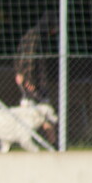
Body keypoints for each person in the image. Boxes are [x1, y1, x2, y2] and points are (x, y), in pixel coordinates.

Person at [14, 11, 58, 144]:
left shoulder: (39, 36)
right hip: (34, 82)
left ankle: (53, 143)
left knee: (44, 112)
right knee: (28, 112)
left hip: (37, 82)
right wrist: (29, 80)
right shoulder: (35, 37)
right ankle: (20, 139)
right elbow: (29, 59)